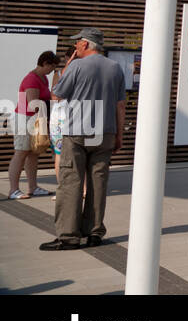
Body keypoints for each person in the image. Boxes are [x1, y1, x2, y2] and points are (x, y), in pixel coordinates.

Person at [40, 28, 126, 250]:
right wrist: (119, 135)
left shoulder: (77, 65)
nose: (75, 47)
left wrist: (68, 65)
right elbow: (120, 105)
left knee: (71, 183)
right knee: (98, 184)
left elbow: (57, 95)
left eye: (77, 43)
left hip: (77, 133)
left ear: (86, 44)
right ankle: (94, 232)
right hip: (105, 133)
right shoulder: (115, 68)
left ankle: (68, 236)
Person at [9, 51, 58, 200]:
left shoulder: (43, 78)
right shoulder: (32, 79)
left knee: (33, 154)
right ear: (45, 63)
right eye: (52, 67)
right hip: (25, 119)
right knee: (21, 152)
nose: (52, 71)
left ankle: (33, 187)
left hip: (35, 120)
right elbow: (33, 104)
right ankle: (13, 190)